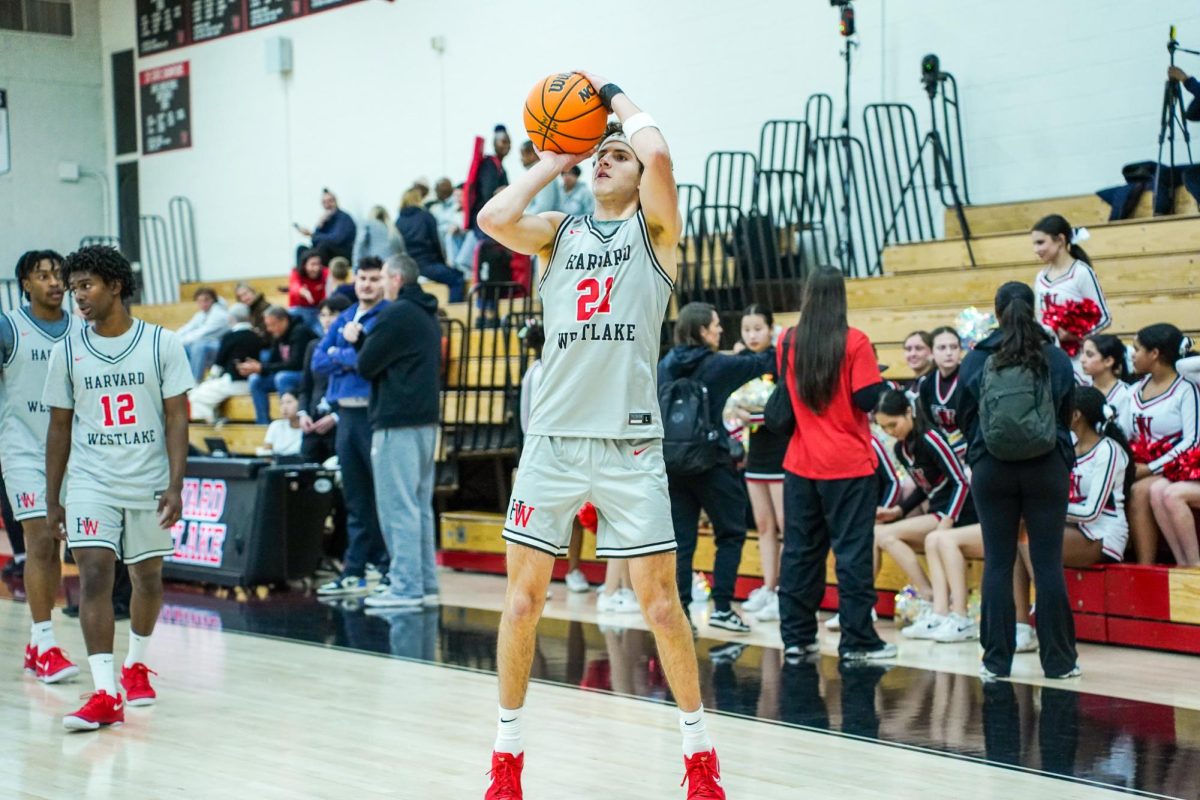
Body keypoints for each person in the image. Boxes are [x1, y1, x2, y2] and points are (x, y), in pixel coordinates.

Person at [477, 73, 726, 797]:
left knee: (660, 607)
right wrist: (560, 153)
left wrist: (614, 100)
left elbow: (664, 158)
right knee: (522, 602)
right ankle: (507, 757)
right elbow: (496, 217)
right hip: (552, 441)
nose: (603, 162)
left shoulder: (655, 233)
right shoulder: (558, 232)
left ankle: (699, 754)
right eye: (598, 157)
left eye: (615, 156)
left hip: (630, 445)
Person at [43, 245, 193, 730]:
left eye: (85, 286)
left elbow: (177, 418)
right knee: (93, 576)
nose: (77, 298)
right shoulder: (67, 350)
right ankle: (105, 692)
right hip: (91, 482)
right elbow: (59, 428)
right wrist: (54, 497)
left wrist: (175, 483)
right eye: (73, 289)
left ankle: (137, 663)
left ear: (116, 286)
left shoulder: (161, 344)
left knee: (147, 578)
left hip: (148, 481)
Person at [958, 281, 1079, 680]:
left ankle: (995, 662)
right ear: (1034, 309)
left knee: (998, 563)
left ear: (995, 314)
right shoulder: (1055, 357)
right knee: (1046, 565)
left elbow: (963, 416)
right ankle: (1059, 662)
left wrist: (981, 450)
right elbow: (1066, 412)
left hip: (992, 468)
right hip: (1046, 467)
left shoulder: (976, 358)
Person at [776, 265, 893, 664]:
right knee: (852, 555)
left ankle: (796, 636)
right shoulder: (856, 342)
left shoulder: (788, 341)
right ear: (841, 297)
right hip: (849, 465)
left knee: (799, 553)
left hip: (800, 463)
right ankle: (857, 640)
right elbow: (865, 400)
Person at [659, 302, 776, 634]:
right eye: (715, 325)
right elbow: (765, 361)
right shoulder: (717, 366)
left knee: (681, 540)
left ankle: (681, 612)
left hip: (672, 463)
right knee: (731, 532)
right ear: (701, 331)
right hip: (712, 461)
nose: (720, 330)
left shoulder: (665, 365)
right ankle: (722, 607)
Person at [3, 250, 81, 684]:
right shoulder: (8, 327)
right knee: (40, 541)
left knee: (63, 548)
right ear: (26, 284)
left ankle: (37, 644)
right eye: (44, 275)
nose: (55, 282)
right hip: (24, 449)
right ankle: (47, 642)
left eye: (59, 275)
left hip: (72, 452)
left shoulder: (81, 329)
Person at [355, 255, 443, 608]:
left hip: (397, 421)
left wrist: (357, 339)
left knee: (398, 507)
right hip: (425, 422)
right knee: (419, 506)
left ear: (394, 279)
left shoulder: (394, 315)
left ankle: (405, 587)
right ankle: (425, 584)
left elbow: (365, 364)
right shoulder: (426, 314)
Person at [873, 390, 981, 644]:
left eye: (893, 424)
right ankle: (936, 606)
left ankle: (930, 597)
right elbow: (924, 487)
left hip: (959, 510)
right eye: (884, 427)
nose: (890, 431)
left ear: (909, 412)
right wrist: (899, 511)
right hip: (937, 509)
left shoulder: (931, 438)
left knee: (887, 535)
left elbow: (961, 482)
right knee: (883, 535)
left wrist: (947, 521)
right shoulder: (901, 449)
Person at [312, 257, 391, 597]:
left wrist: (340, 353)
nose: (368, 284)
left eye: (374, 279)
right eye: (363, 278)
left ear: (384, 282)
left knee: (383, 495)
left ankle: (389, 568)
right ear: (355, 281)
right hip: (346, 416)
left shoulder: (387, 316)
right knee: (356, 498)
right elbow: (317, 361)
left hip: (374, 415)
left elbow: (367, 363)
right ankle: (355, 570)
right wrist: (346, 355)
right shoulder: (344, 316)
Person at [729, 305, 788, 623]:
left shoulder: (782, 360)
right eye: (747, 329)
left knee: (785, 525)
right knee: (764, 525)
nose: (752, 335)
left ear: (771, 329)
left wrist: (755, 416)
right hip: (755, 454)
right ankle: (768, 586)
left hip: (781, 450)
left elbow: (787, 407)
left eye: (758, 328)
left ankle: (786, 592)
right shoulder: (742, 363)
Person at [1126, 323, 1200, 566]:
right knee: (1147, 490)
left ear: (1154, 354)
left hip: (1179, 467)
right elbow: (1127, 434)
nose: (1132, 354)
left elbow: (1191, 440)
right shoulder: (1134, 390)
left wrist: (1151, 467)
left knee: (1144, 490)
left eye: (1137, 349)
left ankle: (1182, 565)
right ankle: (1178, 564)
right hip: (1146, 465)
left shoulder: (1185, 390)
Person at [1031, 214, 1111, 383]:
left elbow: (1105, 318)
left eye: (1040, 242)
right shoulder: (1040, 277)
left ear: (1060, 240)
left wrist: (1075, 335)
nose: (1036, 250)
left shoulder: (1081, 272)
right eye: (1034, 244)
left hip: (1078, 361)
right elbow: (1039, 320)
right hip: (1049, 358)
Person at [187, 303, 264, 423]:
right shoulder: (257, 336)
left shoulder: (230, 336)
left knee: (196, 396)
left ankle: (207, 426)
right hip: (252, 382)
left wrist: (210, 379)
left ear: (231, 318)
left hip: (234, 382)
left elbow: (219, 364)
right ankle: (216, 418)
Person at [298, 295, 351, 464]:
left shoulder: (352, 348)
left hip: (342, 422)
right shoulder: (313, 346)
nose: (327, 320)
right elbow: (305, 385)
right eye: (323, 315)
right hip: (313, 421)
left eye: (332, 314)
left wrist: (336, 416)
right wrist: (303, 413)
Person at [242, 306, 316, 425]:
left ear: (284, 320)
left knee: (282, 378)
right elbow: (272, 362)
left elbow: (296, 364)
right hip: (288, 373)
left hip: (306, 375)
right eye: (267, 325)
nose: (269, 329)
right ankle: (263, 424)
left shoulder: (300, 332)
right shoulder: (279, 335)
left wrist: (263, 367)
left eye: (272, 324)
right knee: (255, 380)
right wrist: (257, 368)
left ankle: (290, 422)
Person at [395, 187, 465, 303]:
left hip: (409, 267)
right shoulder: (426, 216)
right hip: (427, 264)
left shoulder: (399, 221)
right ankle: (454, 312)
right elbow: (436, 243)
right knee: (457, 278)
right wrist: (443, 262)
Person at [1079, 334, 1132, 437]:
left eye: (1089, 355)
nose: (1082, 359)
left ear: (1108, 361)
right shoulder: (1082, 391)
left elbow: (1126, 434)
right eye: (1082, 353)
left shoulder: (1126, 394)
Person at [175, 287, 229, 382]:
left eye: (206, 300)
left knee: (199, 346)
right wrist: (172, 339)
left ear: (213, 300)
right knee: (183, 347)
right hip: (209, 344)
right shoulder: (201, 314)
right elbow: (187, 327)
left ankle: (196, 381)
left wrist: (180, 340)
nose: (203, 304)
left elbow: (202, 333)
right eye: (199, 301)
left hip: (222, 347)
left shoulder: (219, 314)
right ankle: (185, 379)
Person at [295, 188, 357, 263]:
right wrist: (319, 226)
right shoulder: (325, 219)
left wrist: (312, 234)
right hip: (325, 251)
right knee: (301, 249)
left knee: (324, 246)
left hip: (343, 254)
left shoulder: (344, 218)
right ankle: (301, 274)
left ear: (336, 202)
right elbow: (315, 243)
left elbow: (336, 240)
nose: (327, 205)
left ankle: (321, 273)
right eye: (324, 202)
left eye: (330, 201)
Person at [289, 250, 328, 334]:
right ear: (304, 265)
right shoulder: (296, 272)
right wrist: (302, 291)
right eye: (313, 264)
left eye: (318, 264)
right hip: (299, 310)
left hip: (317, 311)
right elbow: (294, 287)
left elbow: (328, 293)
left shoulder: (325, 272)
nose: (316, 268)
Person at [429, 178, 466, 267]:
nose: (441, 191)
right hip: (443, 246)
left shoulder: (457, 206)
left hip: (457, 245)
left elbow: (460, 223)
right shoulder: (435, 208)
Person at [520, 140, 564, 214]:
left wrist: (520, 219)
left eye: (523, 155)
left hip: (543, 222)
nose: (521, 159)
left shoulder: (544, 172)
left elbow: (543, 207)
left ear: (532, 154)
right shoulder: (536, 172)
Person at [260, 391, 303, 456]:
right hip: (277, 464)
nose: (284, 407)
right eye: (281, 403)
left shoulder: (308, 429)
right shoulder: (275, 425)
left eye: (289, 402)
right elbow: (266, 453)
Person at [900, 330, 934, 396]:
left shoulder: (936, 383)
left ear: (932, 352)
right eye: (908, 349)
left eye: (919, 348)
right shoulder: (910, 386)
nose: (913, 354)